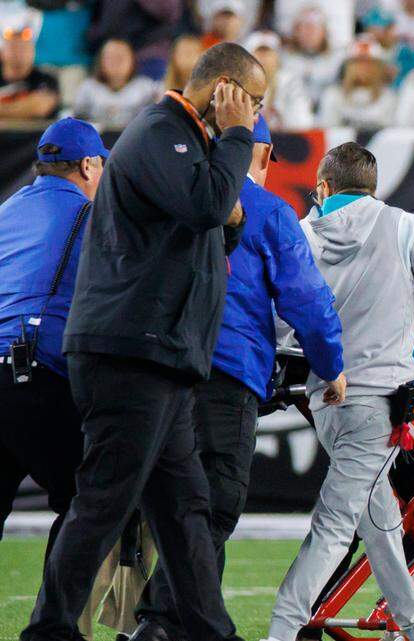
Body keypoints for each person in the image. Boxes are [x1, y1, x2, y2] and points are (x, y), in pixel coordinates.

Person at [19, 43, 265, 641]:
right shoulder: (160, 131)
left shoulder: (188, 145)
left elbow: (199, 235)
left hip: (161, 354)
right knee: (105, 498)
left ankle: (212, 633)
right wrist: (237, 140)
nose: (256, 114)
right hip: (131, 351)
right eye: (253, 101)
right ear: (225, 89)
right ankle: (48, 631)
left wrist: (231, 224)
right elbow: (208, 207)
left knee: (184, 510)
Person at [264, 141, 414, 641]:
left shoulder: (302, 234)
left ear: (324, 188)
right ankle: (281, 631)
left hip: (326, 399)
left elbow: (280, 320)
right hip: (379, 403)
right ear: (374, 188)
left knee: (381, 528)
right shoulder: (405, 227)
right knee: (335, 528)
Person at [133, 115, 345, 641]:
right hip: (224, 371)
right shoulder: (267, 210)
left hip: (155, 368)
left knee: (180, 501)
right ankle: (158, 625)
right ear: (265, 155)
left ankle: (186, 627)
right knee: (215, 503)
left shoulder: (168, 196)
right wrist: (331, 364)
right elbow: (306, 300)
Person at [0, 117, 107, 560]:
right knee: (91, 501)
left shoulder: (6, 210)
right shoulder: (91, 216)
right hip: (38, 376)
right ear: (87, 165)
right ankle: (58, 606)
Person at [72, 39, 160, 129]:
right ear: (100, 60)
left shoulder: (147, 88)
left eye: (120, 57)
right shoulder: (88, 88)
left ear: (132, 59)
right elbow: (77, 119)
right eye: (110, 58)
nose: (115, 62)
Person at [318, 38, 399, 129]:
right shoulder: (333, 95)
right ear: (347, 67)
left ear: (379, 68)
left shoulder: (389, 98)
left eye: (369, 62)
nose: (363, 67)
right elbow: (327, 131)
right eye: (357, 62)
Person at [247, 30, 315, 131]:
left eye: (268, 53)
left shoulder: (290, 82)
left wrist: (278, 114)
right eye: (259, 53)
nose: (263, 59)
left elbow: (304, 122)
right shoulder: (240, 85)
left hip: (284, 137)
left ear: (277, 57)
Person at [280, 7, 345, 105]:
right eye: (304, 28)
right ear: (295, 32)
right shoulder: (284, 58)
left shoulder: (338, 58)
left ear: (324, 32)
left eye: (313, 28)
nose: (309, 33)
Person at [0, 16, 60, 120]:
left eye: (24, 47)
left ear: (33, 52)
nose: (19, 53)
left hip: (36, 131)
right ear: (2, 53)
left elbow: (40, 108)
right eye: (13, 47)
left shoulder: (46, 80)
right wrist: (25, 106)